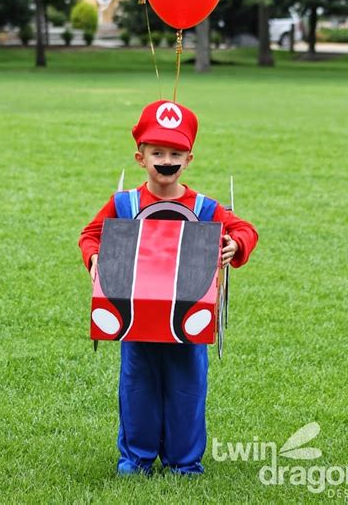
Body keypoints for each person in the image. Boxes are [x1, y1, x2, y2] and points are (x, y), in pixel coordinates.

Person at [79, 99, 258, 476]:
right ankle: (137, 457)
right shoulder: (124, 204)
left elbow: (245, 230)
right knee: (137, 387)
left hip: (188, 316)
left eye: (175, 152)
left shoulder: (207, 209)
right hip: (135, 317)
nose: (165, 160)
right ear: (139, 157)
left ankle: (184, 460)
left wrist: (235, 244)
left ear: (189, 158)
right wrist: (95, 257)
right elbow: (91, 235)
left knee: (186, 389)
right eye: (156, 151)